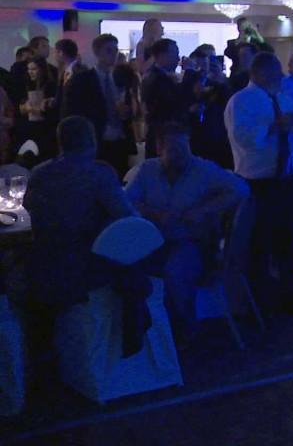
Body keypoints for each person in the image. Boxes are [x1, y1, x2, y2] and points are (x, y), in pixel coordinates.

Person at [22, 116, 139, 359]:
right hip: (84, 267)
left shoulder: (38, 174)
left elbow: (31, 212)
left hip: (42, 262)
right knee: (138, 266)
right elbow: (129, 220)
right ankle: (134, 339)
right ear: (92, 141)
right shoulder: (99, 176)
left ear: (60, 142)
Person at [126, 122, 249, 339]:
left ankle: (184, 328)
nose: (182, 155)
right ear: (159, 149)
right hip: (153, 243)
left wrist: (204, 208)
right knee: (124, 268)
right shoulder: (146, 171)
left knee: (174, 270)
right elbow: (126, 201)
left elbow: (241, 188)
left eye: (185, 148)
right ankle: (145, 334)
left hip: (192, 243)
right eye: (174, 149)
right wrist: (153, 213)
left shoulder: (202, 170)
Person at [224, 52, 293, 316]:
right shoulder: (241, 101)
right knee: (260, 245)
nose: (280, 77)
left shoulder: (284, 98)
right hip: (258, 184)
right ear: (258, 74)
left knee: (291, 241)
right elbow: (243, 140)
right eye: (274, 73)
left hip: (286, 179)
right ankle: (260, 304)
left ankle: (290, 297)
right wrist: (274, 126)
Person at [93, 34, 137, 179]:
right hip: (98, 141)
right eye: (108, 51)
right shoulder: (86, 80)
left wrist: (127, 112)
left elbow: (131, 110)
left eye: (115, 50)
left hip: (119, 141)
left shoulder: (120, 77)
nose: (113, 55)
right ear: (97, 53)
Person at [141, 38, 189, 158]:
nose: (178, 59)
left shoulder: (153, 77)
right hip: (165, 137)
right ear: (161, 56)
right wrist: (189, 74)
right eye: (175, 54)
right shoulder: (159, 80)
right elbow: (176, 103)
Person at [18, 58, 58, 160]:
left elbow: (50, 112)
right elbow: (22, 106)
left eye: (34, 69)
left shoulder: (50, 87)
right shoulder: (28, 85)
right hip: (31, 127)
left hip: (45, 129)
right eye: (29, 69)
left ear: (42, 70)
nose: (30, 72)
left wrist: (32, 109)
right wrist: (24, 108)